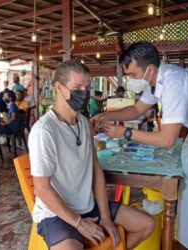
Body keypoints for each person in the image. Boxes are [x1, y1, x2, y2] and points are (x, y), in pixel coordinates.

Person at [92, 41, 188, 250]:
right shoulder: (157, 81)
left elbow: (166, 140)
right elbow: (137, 110)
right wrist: (106, 115)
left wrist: (125, 132)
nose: (130, 80)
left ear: (149, 69)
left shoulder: (174, 82)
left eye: (133, 75)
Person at [29, 60, 154, 250]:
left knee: (147, 225)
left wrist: (105, 216)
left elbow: (96, 170)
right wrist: (79, 223)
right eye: (77, 87)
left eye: (87, 87)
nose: (84, 92)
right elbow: (42, 189)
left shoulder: (84, 122)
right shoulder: (44, 131)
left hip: (89, 206)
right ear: (59, 88)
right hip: (57, 214)